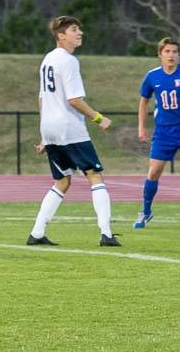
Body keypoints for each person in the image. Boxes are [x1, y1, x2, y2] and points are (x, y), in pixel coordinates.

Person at [28, 16, 120, 247]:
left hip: (50, 127)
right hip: (69, 127)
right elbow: (74, 100)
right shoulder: (68, 61)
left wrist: (44, 135)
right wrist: (99, 118)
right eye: (74, 30)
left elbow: (42, 98)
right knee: (94, 175)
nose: (79, 33)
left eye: (79, 29)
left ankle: (37, 233)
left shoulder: (47, 59)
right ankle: (106, 234)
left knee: (62, 181)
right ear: (61, 35)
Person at [133, 37, 180, 229]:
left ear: (179, 54)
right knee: (154, 172)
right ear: (160, 54)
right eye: (167, 51)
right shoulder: (152, 76)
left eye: (174, 51)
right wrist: (141, 126)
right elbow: (144, 101)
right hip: (163, 132)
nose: (171, 55)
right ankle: (146, 211)